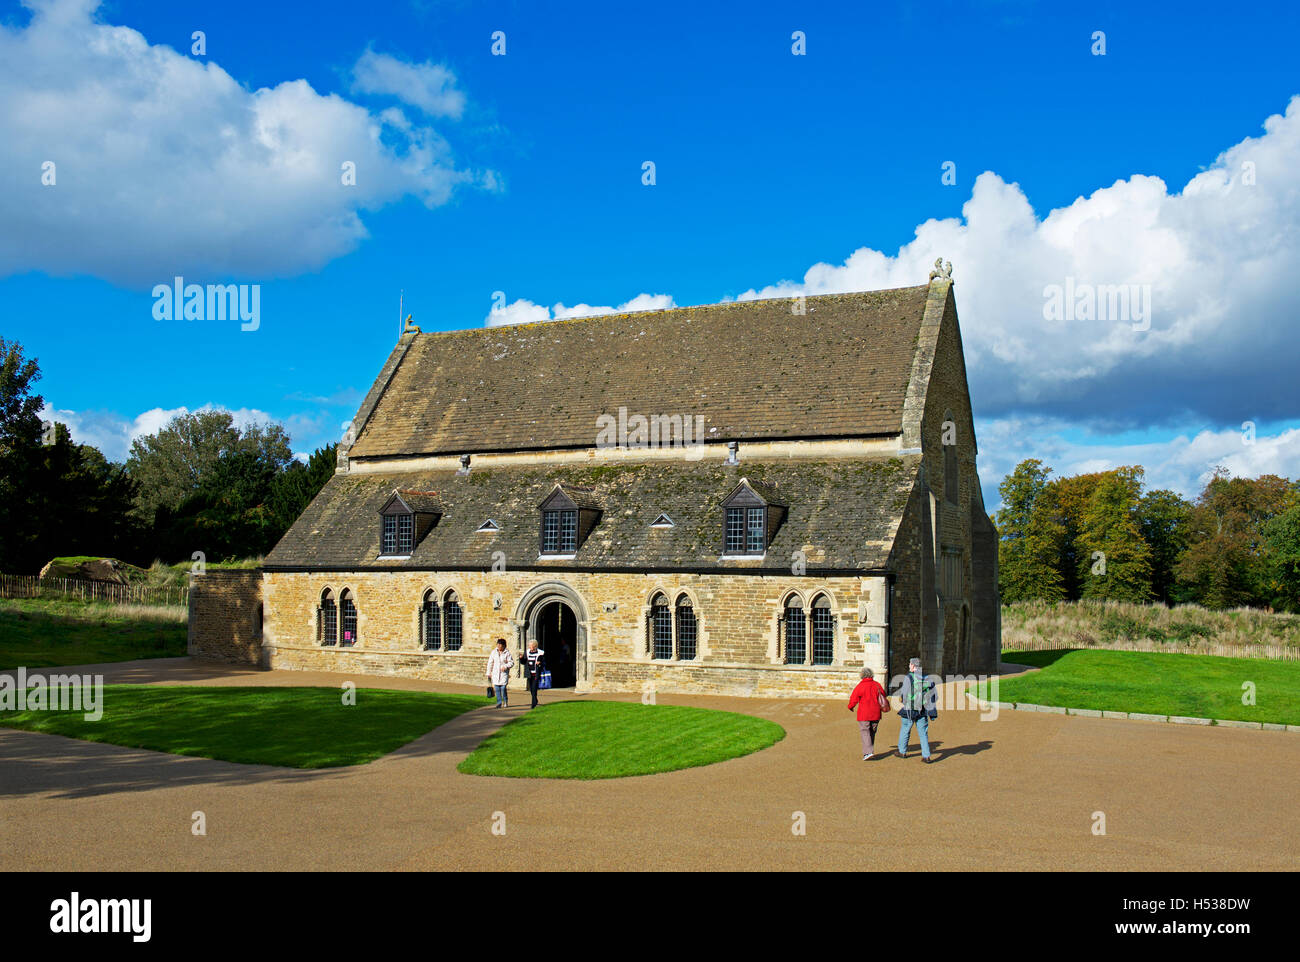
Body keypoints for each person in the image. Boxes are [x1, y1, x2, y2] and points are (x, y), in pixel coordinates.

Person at [894, 657, 938, 762]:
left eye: (910, 664)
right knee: (923, 733)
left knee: (905, 729)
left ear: (913, 666)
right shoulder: (926, 678)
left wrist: (903, 701)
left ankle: (902, 751)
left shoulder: (909, 678)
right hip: (922, 709)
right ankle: (926, 755)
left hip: (910, 709)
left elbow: (904, 694)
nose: (909, 665)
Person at [847, 666, 889, 760]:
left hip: (864, 714)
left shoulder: (860, 686)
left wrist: (850, 706)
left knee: (865, 732)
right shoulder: (877, 685)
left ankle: (868, 752)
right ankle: (869, 751)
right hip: (876, 713)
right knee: (871, 732)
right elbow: (883, 694)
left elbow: (854, 699)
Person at [486, 638, 514, 708]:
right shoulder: (493, 652)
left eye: (500, 646)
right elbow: (490, 662)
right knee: (497, 689)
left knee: (503, 688)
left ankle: (505, 701)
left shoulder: (507, 653)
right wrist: (488, 672)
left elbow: (511, 663)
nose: (499, 647)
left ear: (504, 646)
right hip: (495, 673)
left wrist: (505, 666)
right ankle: (499, 702)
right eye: (498, 645)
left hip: (503, 673)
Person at [522, 639, 546, 709]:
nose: (530, 647)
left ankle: (533, 704)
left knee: (534, 688)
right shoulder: (527, 652)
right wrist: (521, 658)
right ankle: (535, 700)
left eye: (531, 646)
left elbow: (544, 661)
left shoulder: (541, 653)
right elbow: (523, 662)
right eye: (529, 646)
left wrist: (540, 663)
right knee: (531, 689)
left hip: (536, 673)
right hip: (529, 673)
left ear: (535, 646)